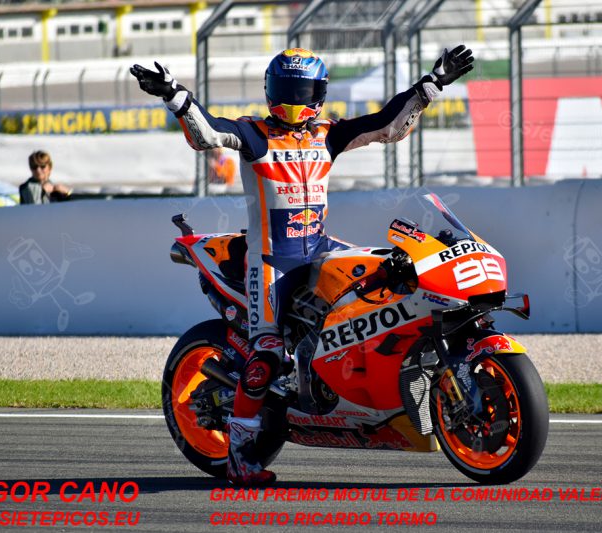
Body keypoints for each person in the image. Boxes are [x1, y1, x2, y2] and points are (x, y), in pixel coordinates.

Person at [130, 45, 474, 486]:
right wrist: (175, 95)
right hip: (270, 262)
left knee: (384, 276)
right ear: (271, 92)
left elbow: (386, 125)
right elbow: (208, 134)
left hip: (319, 247)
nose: (295, 98)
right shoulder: (253, 133)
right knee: (268, 352)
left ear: (320, 93)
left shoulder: (328, 134)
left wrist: (431, 85)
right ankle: (238, 456)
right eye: (287, 89)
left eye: (304, 89)